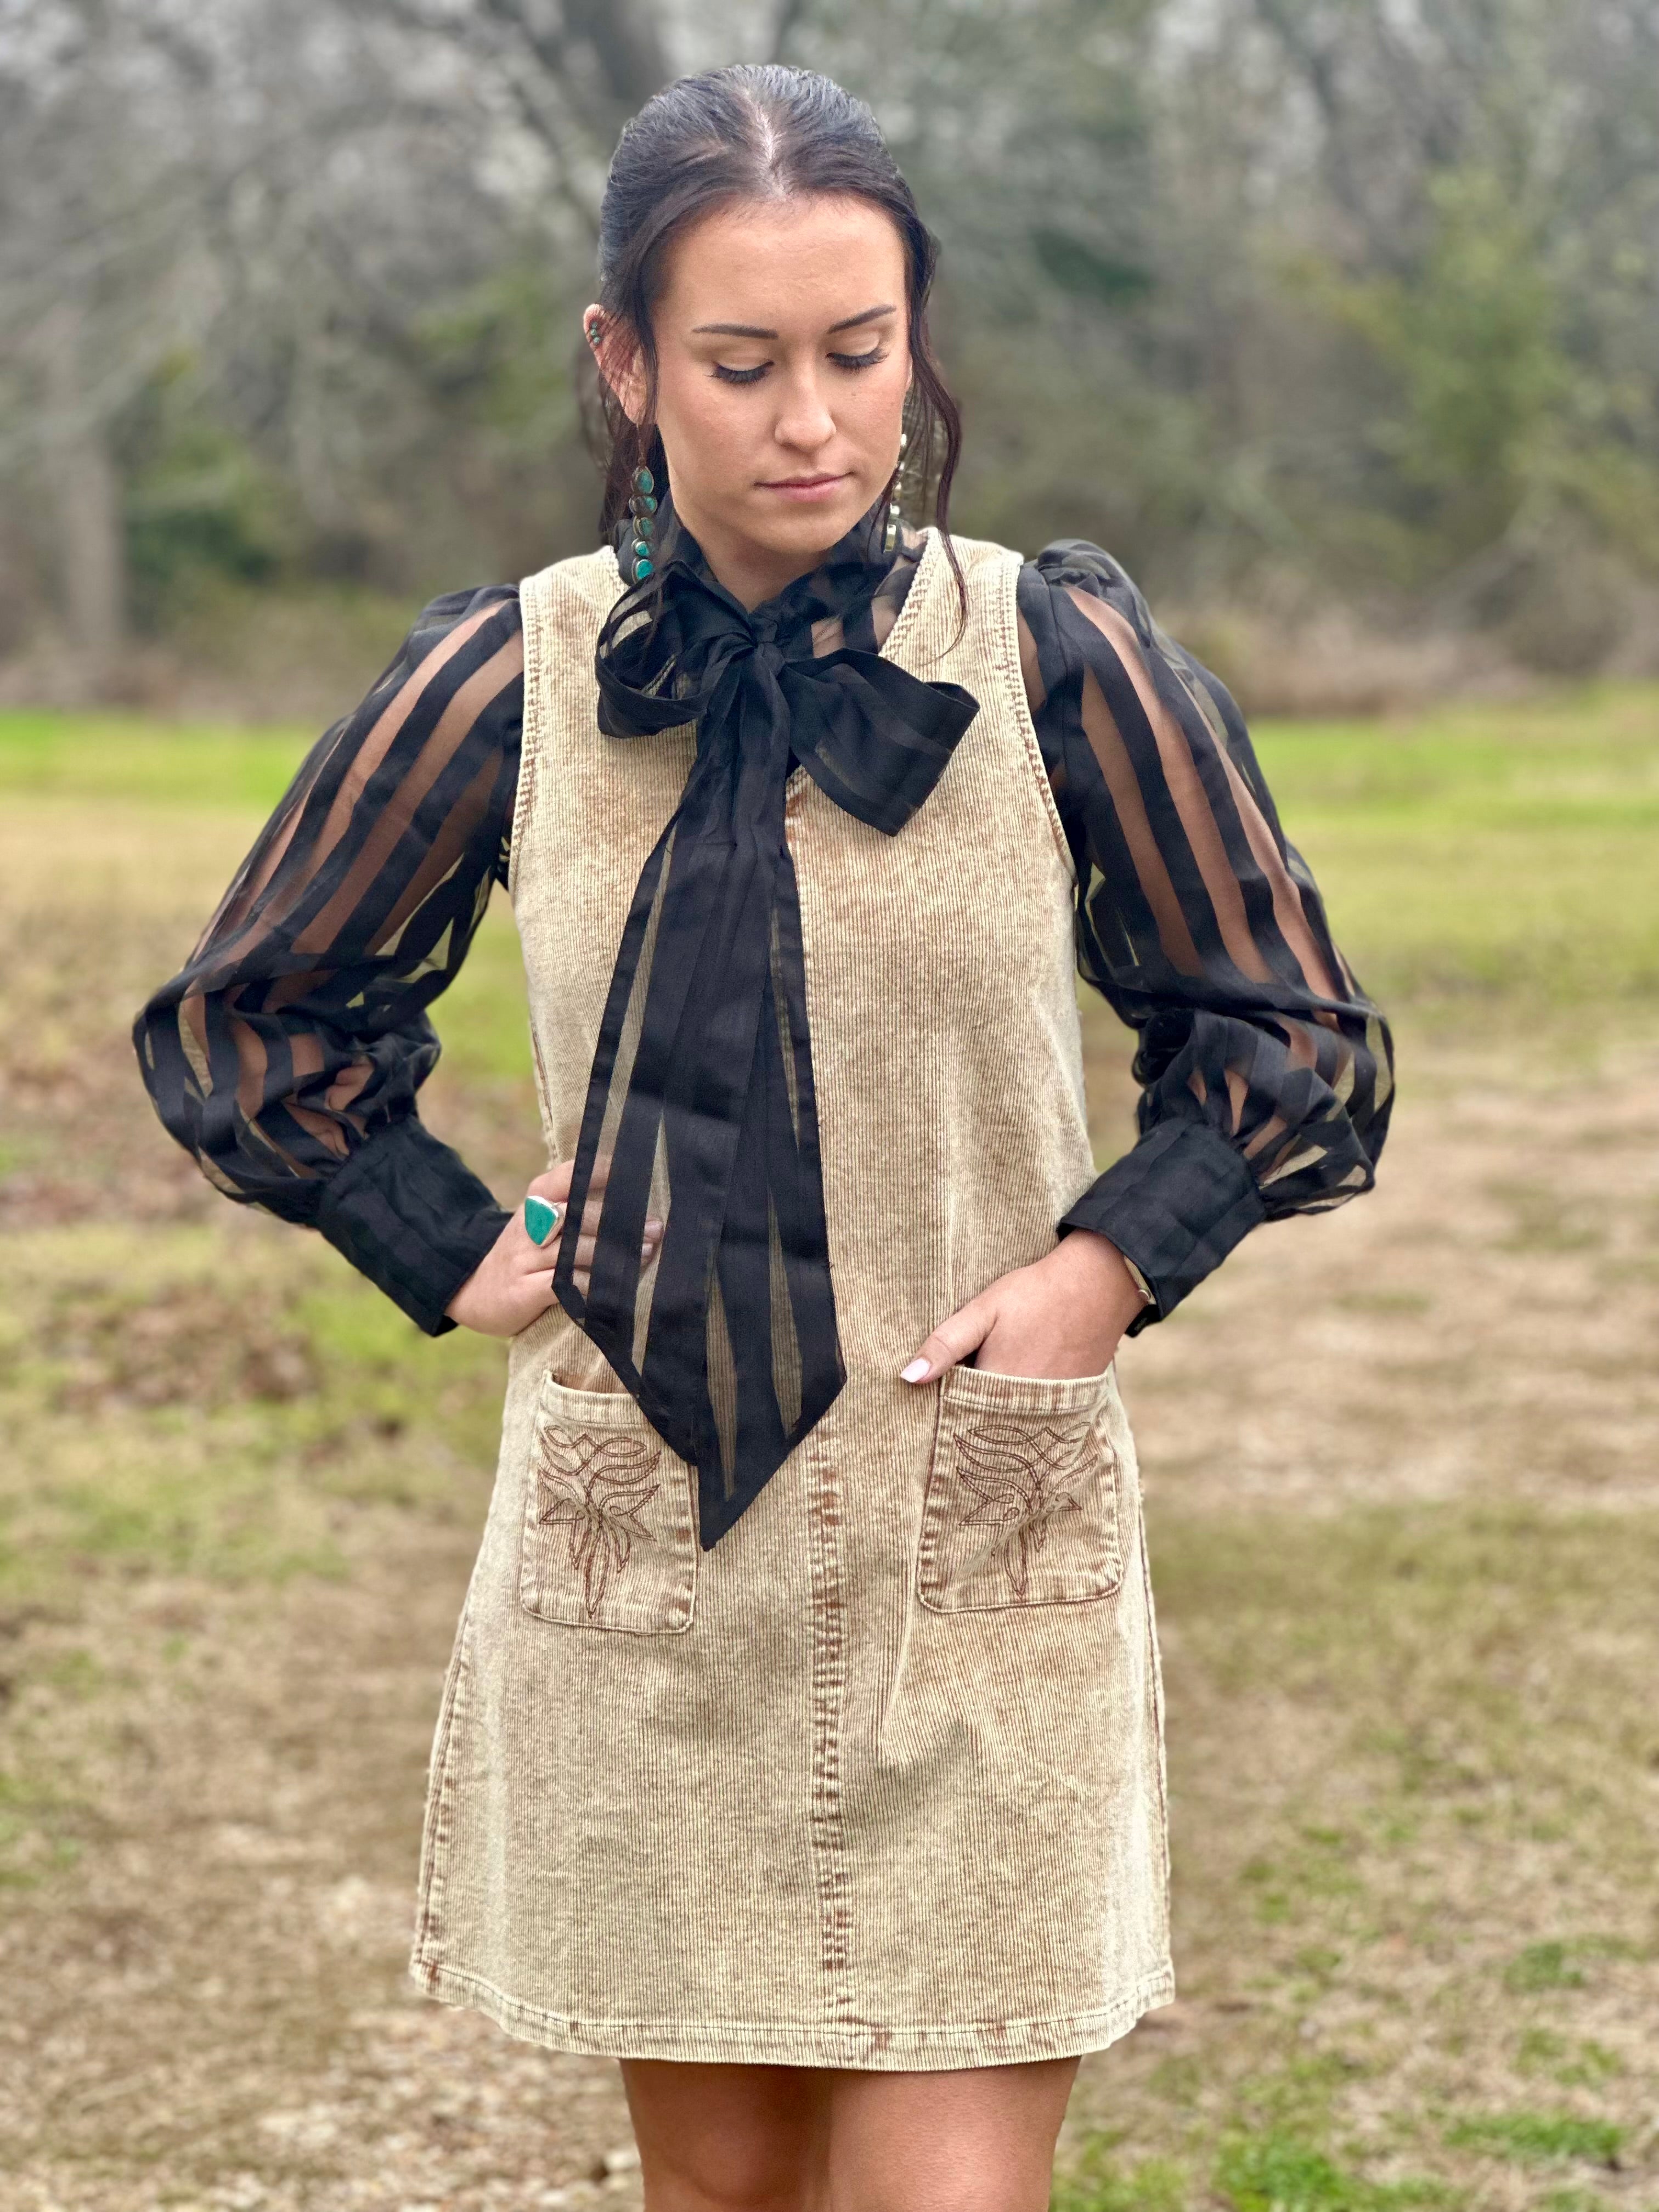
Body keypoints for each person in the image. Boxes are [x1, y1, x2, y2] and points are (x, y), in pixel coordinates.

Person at [134, 63, 1393, 2212]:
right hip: (654, 1566)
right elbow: (258, 1021)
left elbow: (1290, 1043)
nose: (810, 419)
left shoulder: (1060, 655)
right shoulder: (510, 677)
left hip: (974, 1548)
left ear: (919, 345)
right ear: (628, 365)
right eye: (741, 363)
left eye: (858, 352)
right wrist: (450, 1245)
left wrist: (1097, 1275)